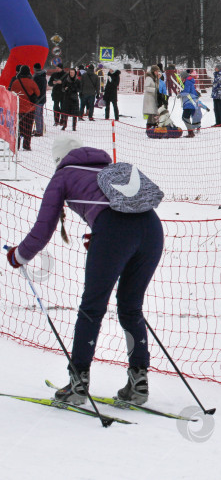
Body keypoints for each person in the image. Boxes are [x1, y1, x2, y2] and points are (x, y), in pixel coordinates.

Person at [5, 136, 164, 406]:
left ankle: (78, 385)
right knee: (130, 308)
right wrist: (101, 234)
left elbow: (44, 228)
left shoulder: (63, 175)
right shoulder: (108, 168)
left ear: (59, 159)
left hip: (114, 233)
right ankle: (138, 382)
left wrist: (19, 255)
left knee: (91, 308)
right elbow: (117, 207)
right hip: (152, 230)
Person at [9, 65, 40, 150]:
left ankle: (16, 145)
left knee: (18, 128)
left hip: (18, 109)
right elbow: (38, 93)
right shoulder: (31, 82)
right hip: (29, 109)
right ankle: (26, 145)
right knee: (28, 127)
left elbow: (12, 93)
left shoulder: (15, 82)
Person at [180, 69, 200, 137]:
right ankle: (191, 131)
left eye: (181, 76)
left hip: (189, 102)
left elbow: (187, 91)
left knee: (185, 117)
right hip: (190, 102)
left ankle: (191, 132)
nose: (180, 78)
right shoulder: (188, 81)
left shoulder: (187, 82)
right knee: (185, 117)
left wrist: (180, 94)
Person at [32, 63, 47, 136]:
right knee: (40, 115)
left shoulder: (36, 77)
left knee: (37, 115)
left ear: (34, 69)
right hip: (43, 98)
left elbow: (35, 88)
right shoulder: (43, 76)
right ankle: (40, 129)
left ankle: (39, 131)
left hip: (38, 99)